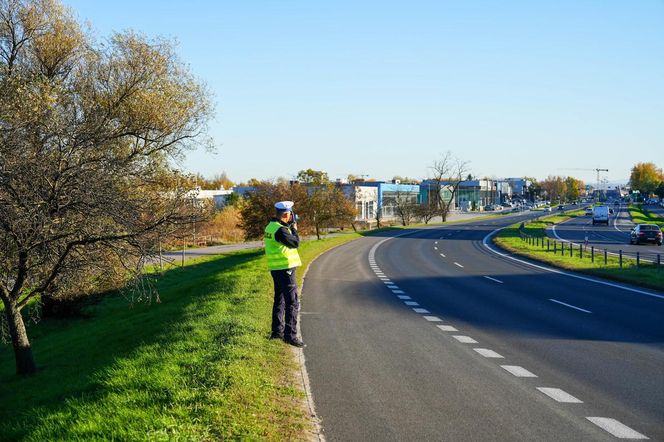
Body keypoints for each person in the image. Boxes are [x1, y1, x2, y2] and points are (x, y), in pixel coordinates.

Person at [264, 201, 304, 347]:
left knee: (279, 300)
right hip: (285, 269)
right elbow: (295, 243)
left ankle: (277, 332)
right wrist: (294, 229)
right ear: (287, 214)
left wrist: (289, 227)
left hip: (276, 269)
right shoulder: (281, 230)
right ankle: (290, 336)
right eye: (290, 215)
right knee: (292, 302)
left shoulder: (270, 227)